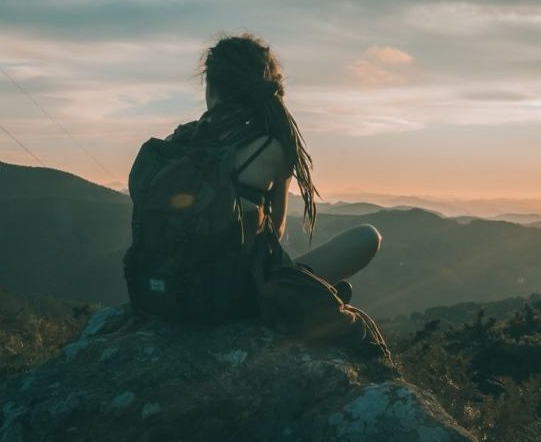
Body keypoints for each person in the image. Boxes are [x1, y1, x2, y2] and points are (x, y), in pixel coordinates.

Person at [125, 33, 389, 360]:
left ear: (210, 87)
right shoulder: (271, 147)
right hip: (232, 301)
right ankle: (319, 298)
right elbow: (275, 230)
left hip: (160, 295)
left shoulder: (178, 142)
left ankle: (318, 294)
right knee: (367, 237)